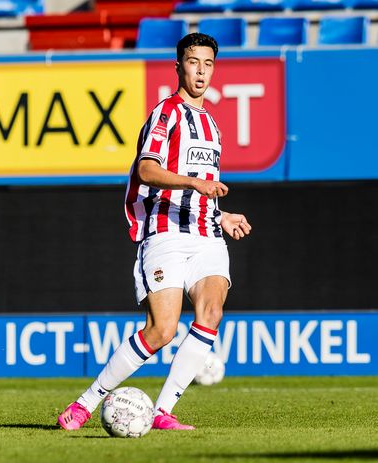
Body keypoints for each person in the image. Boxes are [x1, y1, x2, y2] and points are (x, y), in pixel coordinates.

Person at [57, 33, 252, 431]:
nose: (201, 71)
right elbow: (147, 170)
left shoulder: (213, 126)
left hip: (206, 233)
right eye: (194, 62)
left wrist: (221, 213)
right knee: (162, 330)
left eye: (208, 64)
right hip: (165, 232)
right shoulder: (167, 113)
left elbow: (205, 188)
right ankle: (85, 402)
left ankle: (163, 412)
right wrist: (193, 184)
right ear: (179, 66)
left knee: (211, 312)